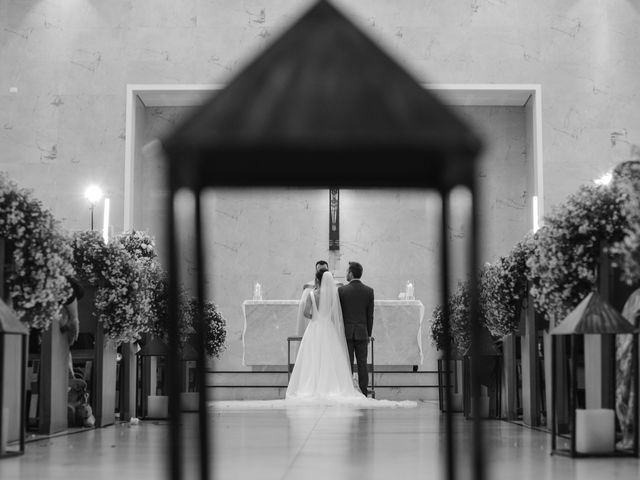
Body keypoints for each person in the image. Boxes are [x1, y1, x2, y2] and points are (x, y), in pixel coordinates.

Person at [287, 269, 364, 400]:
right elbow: (336, 315)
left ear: (317, 280)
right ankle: (331, 386)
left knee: (312, 358)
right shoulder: (333, 296)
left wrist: (315, 317)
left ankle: (311, 386)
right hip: (329, 329)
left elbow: (305, 313)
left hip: (314, 328)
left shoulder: (311, 294)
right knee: (329, 357)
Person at [338, 262, 374, 396]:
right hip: (362, 333)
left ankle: (348, 392)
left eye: (347, 271)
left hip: (346, 333)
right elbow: (370, 316)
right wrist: (368, 334)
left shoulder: (341, 291)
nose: (346, 274)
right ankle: (364, 393)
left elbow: (339, 315)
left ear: (351, 273)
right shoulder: (369, 291)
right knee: (362, 364)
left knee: (347, 364)